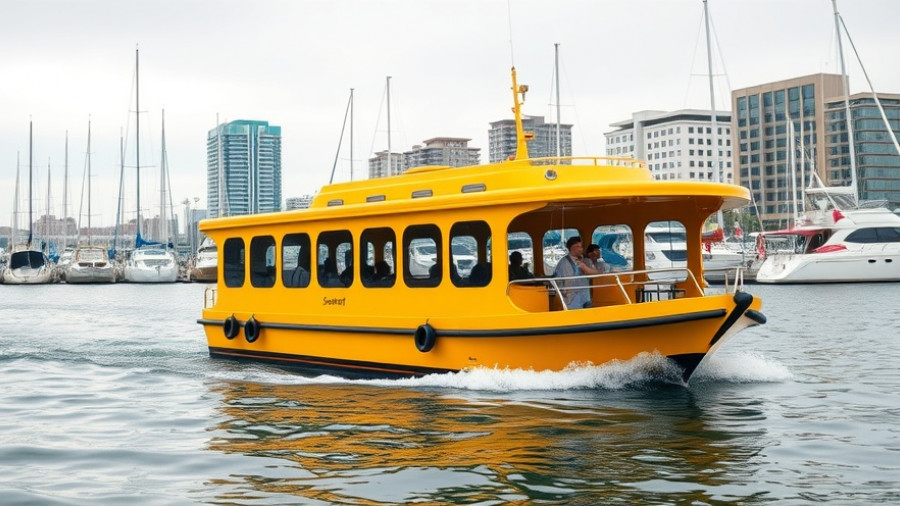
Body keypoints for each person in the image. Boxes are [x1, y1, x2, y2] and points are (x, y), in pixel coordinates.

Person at [552, 236, 600, 309]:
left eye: (581, 247)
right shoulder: (564, 263)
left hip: (586, 297)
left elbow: (596, 274)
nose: (581, 249)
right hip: (572, 301)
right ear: (573, 248)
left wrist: (584, 267)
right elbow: (566, 283)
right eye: (579, 247)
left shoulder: (586, 260)